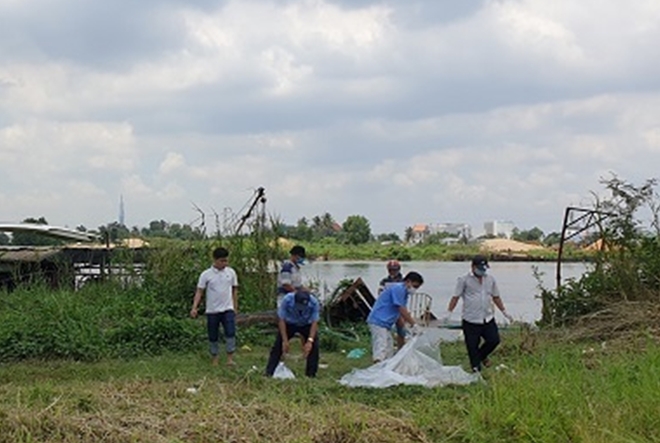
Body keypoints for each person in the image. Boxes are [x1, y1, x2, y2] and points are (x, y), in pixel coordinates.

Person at [444, 255, 514, 372]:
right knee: (472, 346)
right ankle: (476, 370)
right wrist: (449, 312)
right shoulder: (464, 280)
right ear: (473, 267)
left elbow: (496, 296)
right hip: (471, 319)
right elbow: (455, 297)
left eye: (484, 268)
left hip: (487, 318)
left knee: (493, 340)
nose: (482, 271)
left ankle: (481, 357)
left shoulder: (490, 279)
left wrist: (504, 312)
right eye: (480, 268)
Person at [190, 247, 239, 366]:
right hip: (212, 310)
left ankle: (230, 359)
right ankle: (215, 358)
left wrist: (235, 306)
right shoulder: (206, 275)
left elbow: (234, 290)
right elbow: (199, 291)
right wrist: (194, 307)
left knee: (230, 333)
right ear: (215, 260)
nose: (224, 263)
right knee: (213, 334)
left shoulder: (231, 272)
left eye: (226, 261)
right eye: (222, 261)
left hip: (228, 308)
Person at [367, 271, 424, 363]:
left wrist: (403, 330)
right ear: (408, 281)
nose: (415, 289)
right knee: (381, 348)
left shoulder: (404, 293)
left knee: (389, 351)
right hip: (378, 322)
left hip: (386, 324)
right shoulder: (398, 289)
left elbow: (398, 313)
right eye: (415, 286)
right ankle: (377, 371)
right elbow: (401, 309)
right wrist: (414, 325)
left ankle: (384, 370)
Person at [265, 289, 321, 378]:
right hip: (289, 323)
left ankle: (311, 375)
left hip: (306, 324)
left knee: (314, 347)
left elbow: (314, 322)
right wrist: (285, 340)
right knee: (278, 346)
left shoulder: (314, 303)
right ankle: (269, 372)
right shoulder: (287, 300)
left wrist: (310, 341)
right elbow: (281, 320)